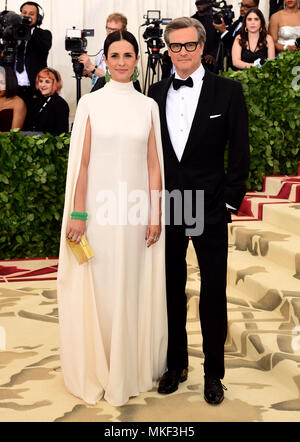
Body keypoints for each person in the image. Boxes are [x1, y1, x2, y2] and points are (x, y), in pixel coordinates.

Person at [57, 30, 168, 406]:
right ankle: (101, 364)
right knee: (102, 287)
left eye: (128, 55)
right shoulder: (90, 103)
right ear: (105, 59)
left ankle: (129, 366)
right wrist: (78, 213)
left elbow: (154, 165)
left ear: (138, 59)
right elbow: (82, 165)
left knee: (130, 284)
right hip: (100, 214)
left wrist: (155, 212)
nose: (121, 62)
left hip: (135, 212)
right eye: (114, 55)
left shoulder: (148, 106)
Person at [148, 17, 249, 405]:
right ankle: (176, 365)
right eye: (175, 46)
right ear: (168, 49)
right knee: (171, 288)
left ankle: (213, 373)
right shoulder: (154, 93)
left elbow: (239, 151)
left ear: (202, 47)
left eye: (189, 46)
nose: (182, 53)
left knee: (212, 293)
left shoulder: (228, 91)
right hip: (169, 204)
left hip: (209, 204)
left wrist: (228, 200)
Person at [78, 13, 127, 88]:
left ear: (124, 30)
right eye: (108, 29)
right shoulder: (103, 45)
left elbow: (115, 79)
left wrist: (92, 68)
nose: (110, 32)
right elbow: (101, 76)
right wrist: (89, 73)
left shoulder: (126, 50)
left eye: (114, 30)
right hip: (98, 92)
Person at [16, 2, 52, 105]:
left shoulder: (44, 34)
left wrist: (29, 30)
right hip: (13, 89)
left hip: (34, 89)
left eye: (31, 14)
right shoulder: (13, 33)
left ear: (38, 18)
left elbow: (44, 47)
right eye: (24, 13)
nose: (27, 16)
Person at [213, 0, 260, 69]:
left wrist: (223, 31)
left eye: (246, 6)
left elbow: (239, 45)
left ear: (256, 7)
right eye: (241, 5)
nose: (242, 9)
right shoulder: (238, 22)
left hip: (246, 68)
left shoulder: (255, 25)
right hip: (232, 66)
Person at [24, 67, 69, 135]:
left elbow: (61, 133)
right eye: (41, 81)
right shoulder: (34, 100)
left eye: (47, 82)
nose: (43, 85)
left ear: (55, 84)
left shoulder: (60, 104)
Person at [191, 0, 221, 71]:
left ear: (209, 3)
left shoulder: (217, 19)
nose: (199, 5)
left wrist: (213, 54)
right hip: (195, 59)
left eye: (202, 2)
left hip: (212, 62)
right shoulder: (192, 20)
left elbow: (223, 39)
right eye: (197, 3)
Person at [0, 65, 26, 132]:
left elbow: (14, 133)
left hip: (8, 141)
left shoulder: (18, 102)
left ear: (10, 82)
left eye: (2, 83)